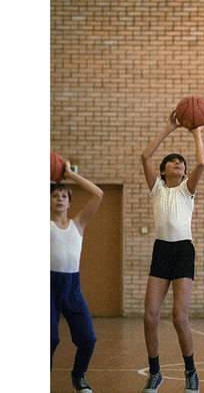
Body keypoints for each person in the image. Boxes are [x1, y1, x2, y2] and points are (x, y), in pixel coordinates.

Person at [139, 112, 204, 393]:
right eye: (173, 161)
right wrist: (169, 127)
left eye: (181, 162)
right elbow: (145, 156)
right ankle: (155, 372)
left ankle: (191, 371)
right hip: (161, 250)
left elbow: (202, 162)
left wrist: (195, 130)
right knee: (149, 315)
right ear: (165, 169)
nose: (178, 164)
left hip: (182, 251)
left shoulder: (185, 190)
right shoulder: (157, 189)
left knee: (179, 316)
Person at [51, 159, 104, 393]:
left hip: (72, 287)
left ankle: (78, 376)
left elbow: (99, 194)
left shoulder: (78, 224)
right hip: (48, 287)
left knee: (88, 339)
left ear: (70, 201)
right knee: (49, 339)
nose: (59, 198)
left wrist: (70, 175)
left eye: (64, 195)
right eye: (55, 195)